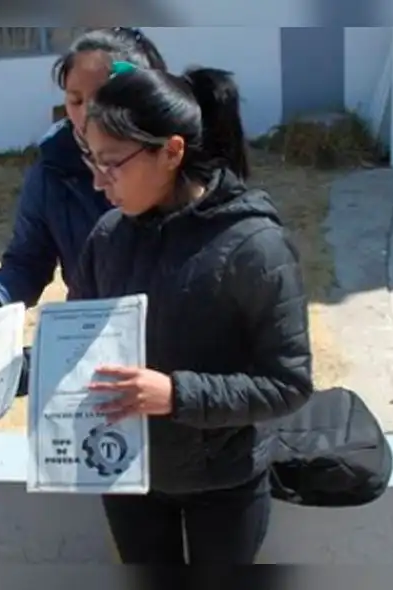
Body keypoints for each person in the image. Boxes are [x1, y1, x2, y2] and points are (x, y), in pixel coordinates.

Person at [73, 60, 313, 564]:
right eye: (91, 160)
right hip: (126, 474)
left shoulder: (254, 247)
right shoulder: (108, 239)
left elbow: (288, 383)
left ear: (171, 152)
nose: (99, 182)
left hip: (224, 484)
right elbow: (78, 344)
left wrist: (176, 394)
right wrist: (4, 368)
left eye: (112, 163)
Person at [0, 28, 167, 324]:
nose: (85, 115)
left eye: (99, 100)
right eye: (75, 100)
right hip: (90, 334)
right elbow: (28, 260)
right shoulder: (51, 173)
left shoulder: (169, 164)